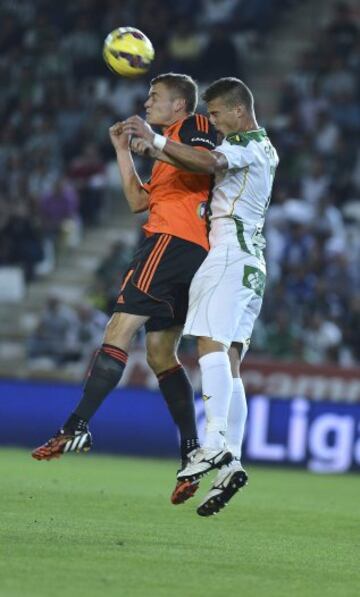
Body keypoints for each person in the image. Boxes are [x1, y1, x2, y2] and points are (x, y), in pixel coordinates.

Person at [32, 73, 217, 506]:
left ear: (179, 105)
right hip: (183, 249)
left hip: (172, 243)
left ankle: (75, 426)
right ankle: (191, 451)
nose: (148, 101)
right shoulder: (167, 145)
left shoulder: (193, 127)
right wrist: (124, 150)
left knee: (117, 330)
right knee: (159, 355)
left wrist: (153, 139)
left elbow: (207, 164)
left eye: (156, 97)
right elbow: (138, 201)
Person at [124, 77, 279, 516]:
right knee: (229, 358)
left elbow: (208, 162)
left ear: (237, 112)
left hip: (229, 255)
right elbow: (199, 163)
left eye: (213, 114)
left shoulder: (243, 145)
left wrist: (155, 138)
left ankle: (212, 444)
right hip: (254, 265)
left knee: (208, 343)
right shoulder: (266, 147)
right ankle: (231, 459)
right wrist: (154, 150)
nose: (209, 122)